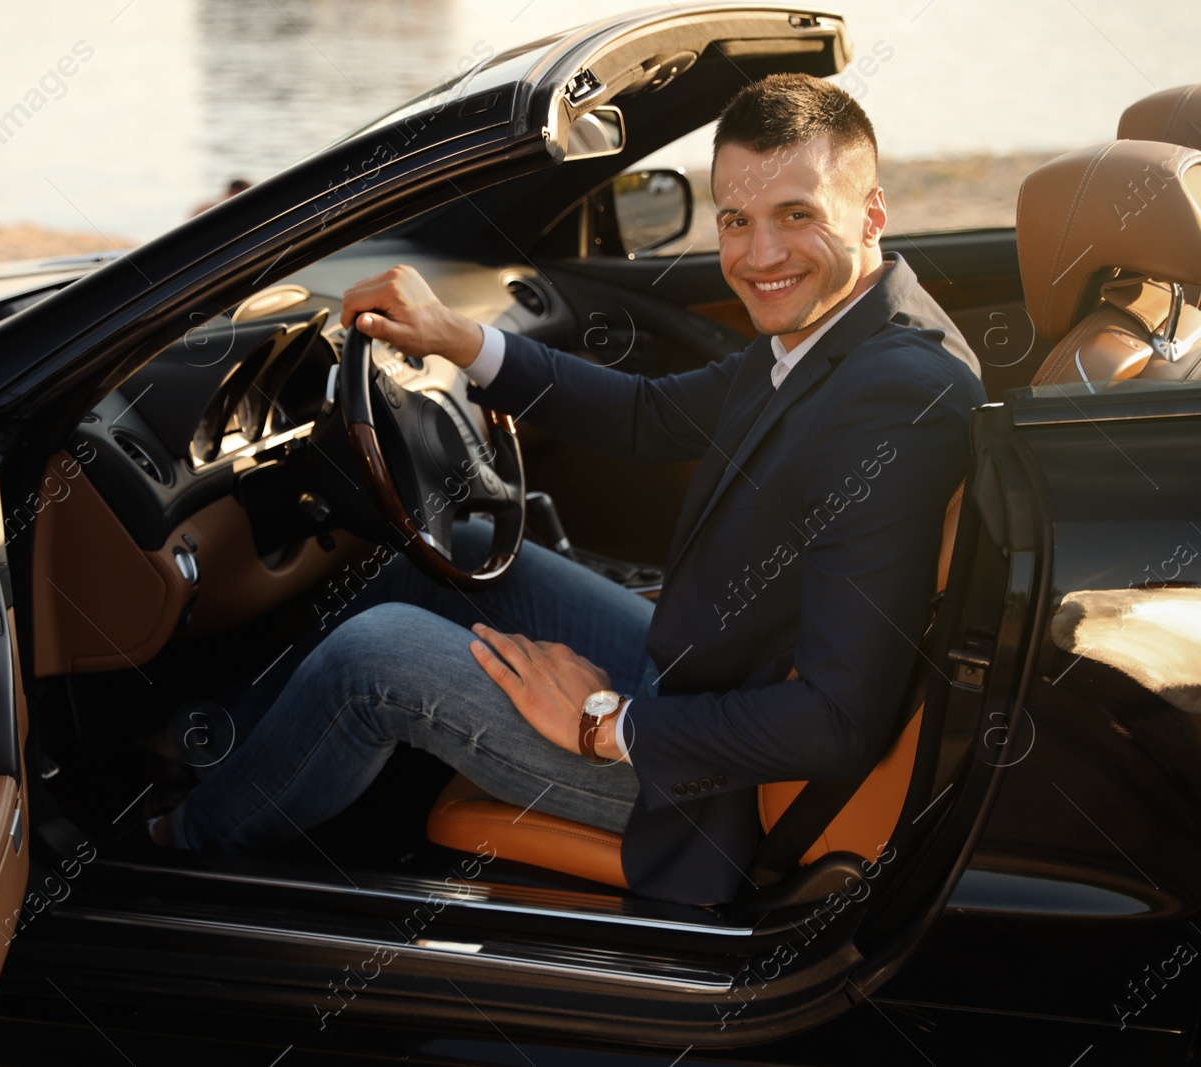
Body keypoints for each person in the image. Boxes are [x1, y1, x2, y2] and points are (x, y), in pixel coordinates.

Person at [153, 72, 986, 903]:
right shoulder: (844, 331)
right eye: (737, 220)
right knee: (444, 556)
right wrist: (458, 338)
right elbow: (648, 416)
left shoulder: (891, 400)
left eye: (796, 216)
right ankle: (217, 747)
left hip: (717, 785)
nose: (759, 256)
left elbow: (837, 725)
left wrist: (602, 723)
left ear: (871, 213)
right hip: (704, 676)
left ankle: (179, 849)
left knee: (375, 658)